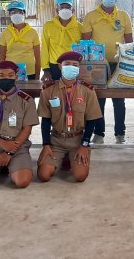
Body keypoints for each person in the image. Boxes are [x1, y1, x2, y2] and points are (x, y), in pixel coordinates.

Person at [37, 51, 102, 182]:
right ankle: (63, 158)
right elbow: (45, 120)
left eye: (75, 64)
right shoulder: (48, 90)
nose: (71, 67)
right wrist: (46, 145)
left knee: (80, 176)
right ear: (60, 66)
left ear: (78, 68)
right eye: (67, 64)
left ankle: (69, 158)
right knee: (43, 175)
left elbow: (91, 120)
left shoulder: (87, 90)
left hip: (77, 140)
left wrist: (85, 145)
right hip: (56, 140)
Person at [81, 0, 133, 144]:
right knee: (98, 99)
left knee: (119, 99)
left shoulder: (124, 16)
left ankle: (120, 133)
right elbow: (85, 41)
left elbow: (129, 41)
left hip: (118, 63)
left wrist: (128, 61)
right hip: (97, 64)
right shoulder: (91, 16)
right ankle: (99, 132)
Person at [42, 0, 81, 82]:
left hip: (73, 66)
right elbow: (44, 48)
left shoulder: (79, 27)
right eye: (62, 7)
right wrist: (46, 69)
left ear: (73, 10)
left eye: (68, 7)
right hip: (54, 66)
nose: (65, 10)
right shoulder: (48, 26)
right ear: (57, 10)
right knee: (56, 92)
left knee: (73, 92)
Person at [0, 0, 41, 80]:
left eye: (19, 12)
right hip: (10, 73)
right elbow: (1, 57)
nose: (16, 15)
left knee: (29, 93)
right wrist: (2, 74)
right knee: (11, 92)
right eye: (13, 12)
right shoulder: (5, 33)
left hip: (30, 72)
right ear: (9, 15)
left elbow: (38, 57)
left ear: (24, 13)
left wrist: (37, 76)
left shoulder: (33, 32)